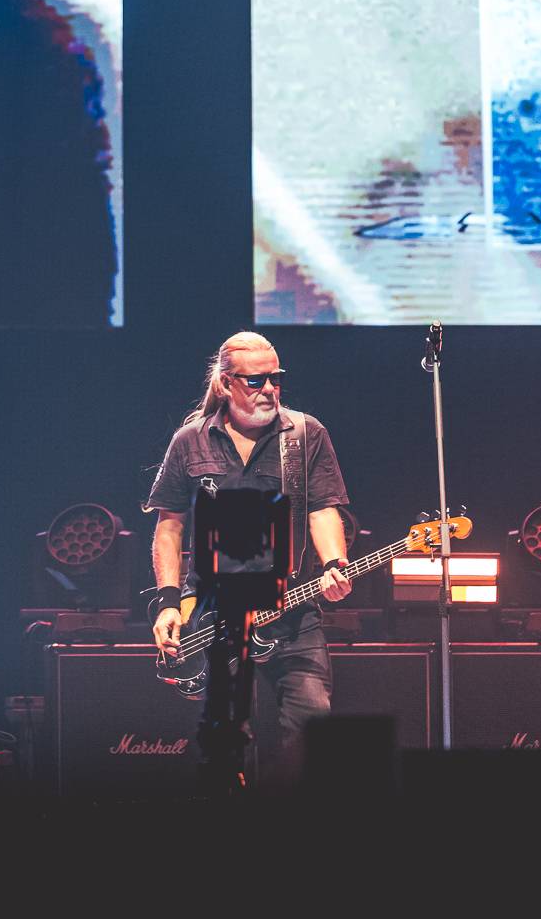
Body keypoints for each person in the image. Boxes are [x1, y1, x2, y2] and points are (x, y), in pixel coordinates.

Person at [145, 331, 353, 786]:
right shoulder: (190, 441)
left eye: (276, 379)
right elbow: (170, 527)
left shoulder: (304, 433)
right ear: (225, 383)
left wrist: (335, 562)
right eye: (256, 381)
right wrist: (166, 601)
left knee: (312, 735)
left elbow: (323, 508)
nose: (270, 390)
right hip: (215, 612)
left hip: (292, 608)